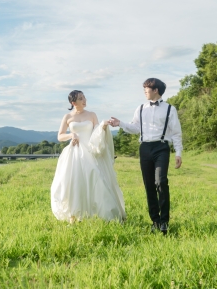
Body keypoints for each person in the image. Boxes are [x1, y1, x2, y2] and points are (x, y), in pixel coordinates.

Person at [108, 78, 182, 235]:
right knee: (149, 185)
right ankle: (155, 221)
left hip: (161, 147)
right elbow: (135, 128)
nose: (144, 92)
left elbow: (176, 132)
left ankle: (164, 221)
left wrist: (178, 152)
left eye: (146, 89)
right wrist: (120, 123)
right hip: (145, 148)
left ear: (155, 90)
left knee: (161, 182)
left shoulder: (170, 109)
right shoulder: (140, 108)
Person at [51, 90, 126, 222]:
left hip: (90, 151)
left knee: (96, 178)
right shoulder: (67, 117)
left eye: (84, 97)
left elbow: (96, 132)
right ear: (73, 102)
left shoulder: (92, 115)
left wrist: (103, 126)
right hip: (74, 153)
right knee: (74, 182)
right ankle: (74, 214)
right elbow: (60, 136)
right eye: (80, 98)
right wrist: (71, 135)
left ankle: (102, 214)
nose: (84, 100)